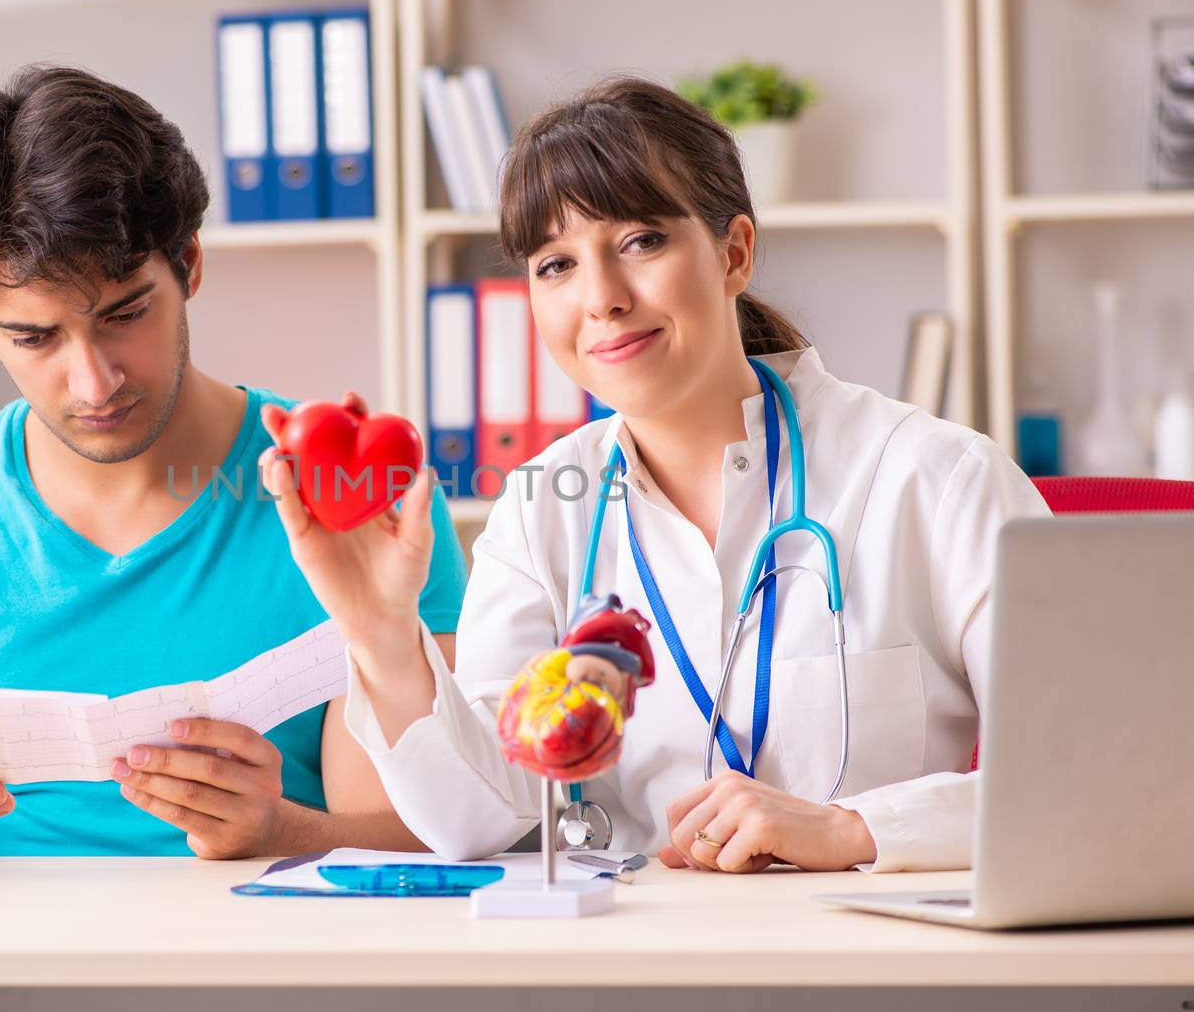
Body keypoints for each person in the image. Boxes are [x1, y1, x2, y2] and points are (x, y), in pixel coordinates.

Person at [258, 75, 1048, 874]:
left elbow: (1086, 771)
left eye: (641, 242)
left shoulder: (937, 478)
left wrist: (854, 828)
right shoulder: (542, 508)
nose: (601, 299)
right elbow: (478, 821)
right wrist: (379, 627)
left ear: (733, 253)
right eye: (557, 264)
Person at [0, 65, 467, 858]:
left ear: (188, 264)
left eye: (124, 314)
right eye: (34, 337)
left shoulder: (349, 491)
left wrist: (281, 830)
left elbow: (427, 841)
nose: (94, 381)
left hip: (274, 956)